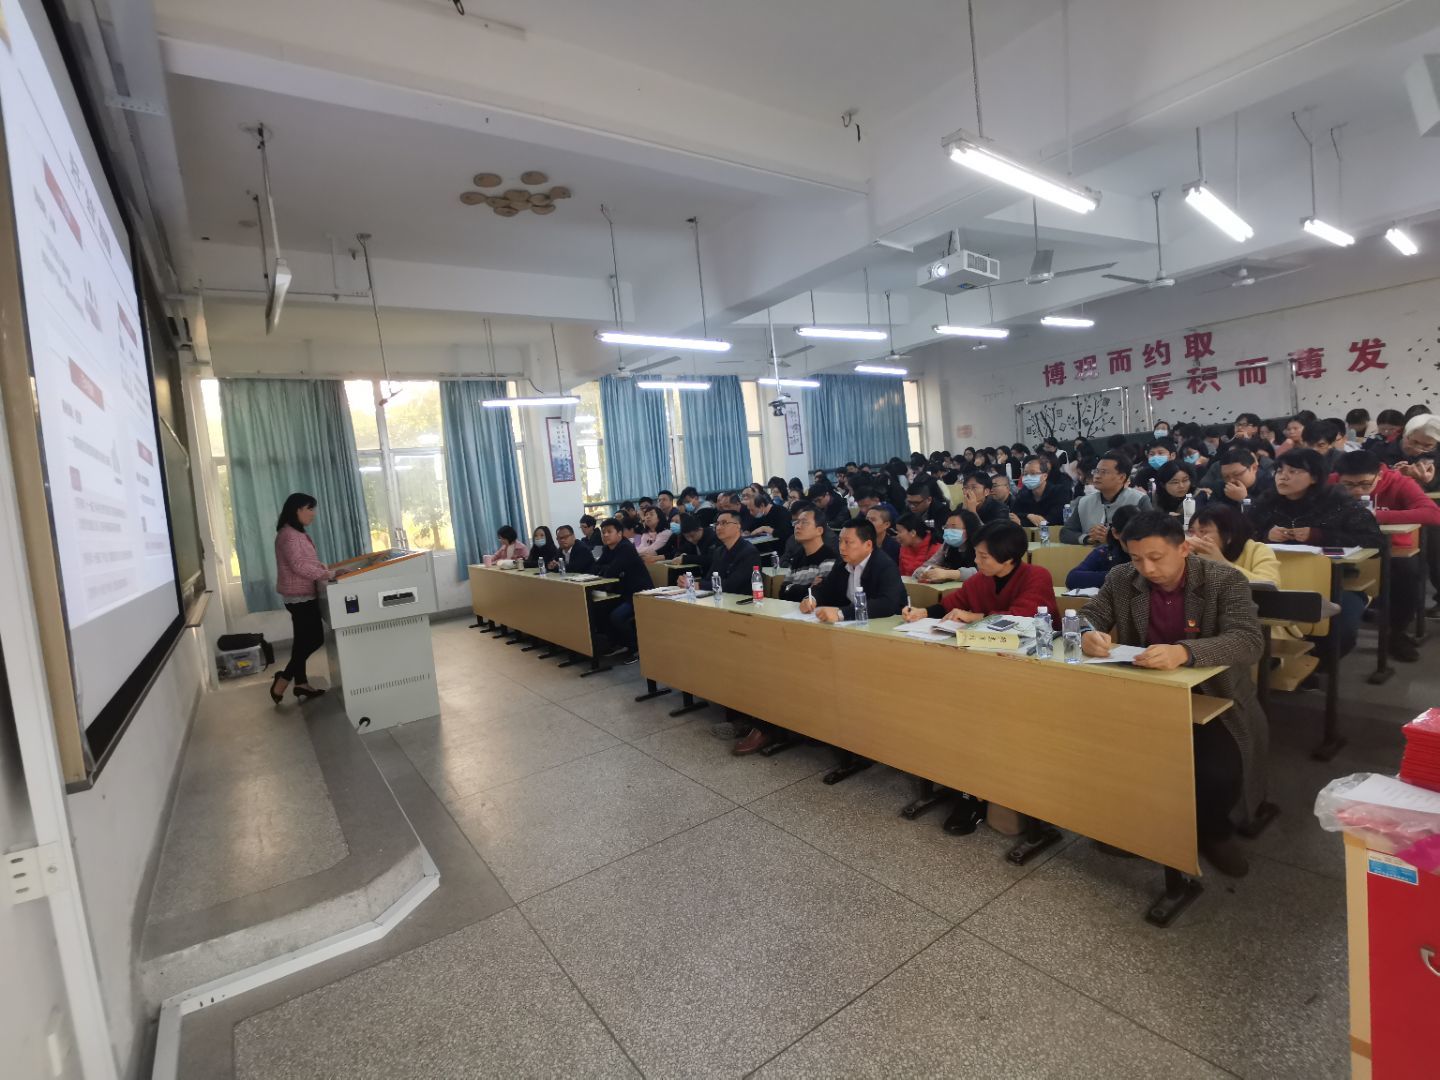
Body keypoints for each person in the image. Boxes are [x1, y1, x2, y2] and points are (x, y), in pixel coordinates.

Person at [1080, 512, 1266, 877]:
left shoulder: (1223, 579)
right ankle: (1140, 826)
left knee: (1217, 770)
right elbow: (1090, 614)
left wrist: (1184, 652)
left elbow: (1248, 640)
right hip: (1144, 691)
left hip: (1213, 695)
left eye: (1156, 557)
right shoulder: (1122, 577)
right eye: (1136, 558)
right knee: (1115, 755)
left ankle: (1214, 832)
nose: (1146, 568)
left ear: (1183, 548)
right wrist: (1087, 632)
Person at [1246, 448, 1385, 658]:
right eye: (1280, 470)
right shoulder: (1267, 502)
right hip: (1276, 580)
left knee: (1341, 630)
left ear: (1314, 477)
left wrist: (1319, 535)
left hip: (1335, 582)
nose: (1283, 476)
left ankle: (1320, 664)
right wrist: (1265, 535)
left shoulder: (1337, 502)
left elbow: (1374, 541)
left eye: (1293, 471)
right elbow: (1240, 536)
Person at [1333, 449, 1440, 662]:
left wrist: (1377, 516)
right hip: (1344, 546)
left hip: (1392, 548)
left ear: (1379, 475)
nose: (1357, 491)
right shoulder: (1330, 482)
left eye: (1365, 484)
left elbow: (1433, 514)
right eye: (1348, 485)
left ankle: (1396, 632)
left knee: (1409, 572)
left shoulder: (1399, 483)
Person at [903, 521, 1054, 623]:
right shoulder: (980, 579)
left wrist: (974, 617)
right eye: (976, 554)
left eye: (984, 556)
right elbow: (951, 604)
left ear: (1008, 558)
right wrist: (922, 612)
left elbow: (1022, 618)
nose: (976, 560)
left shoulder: (1037, 576)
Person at [270, 492, 336, 705]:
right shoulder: (289, 535)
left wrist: (322, 568)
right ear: (297, 509)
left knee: (301, 642)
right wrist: (328, 574)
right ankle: (284, 678)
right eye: (310, 508)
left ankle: (301, 683)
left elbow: (305, 561)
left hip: (302, 593)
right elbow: (298, 566)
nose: (313, 513)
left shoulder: (294, 532)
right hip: (299, 596)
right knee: (314, 639)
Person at [799, 517, 908, 623]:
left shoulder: (885, 566)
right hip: (854, 624)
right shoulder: (842, 563)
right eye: (840, 541)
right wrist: (812, 598)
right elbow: (826, 587)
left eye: (847, 542)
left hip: (887, 625)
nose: (841, 547)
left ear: (868, 545)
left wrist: (841, 613)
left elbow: (887, 603)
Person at [1061, 451, 1151, 545]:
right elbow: (1066, 533)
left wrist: (1111, 540)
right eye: (1096, 471)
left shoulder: (1139, 500)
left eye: (1104, 472)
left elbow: (1150, 534)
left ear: (1121, 477)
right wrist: (1088, 538)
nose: (1097, 476)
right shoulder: (1084, 502)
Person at [591, 519, 650, 661]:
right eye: (603, 532)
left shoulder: (626, 548)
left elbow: (611, 572)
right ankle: (617, 643)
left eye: (609, 531)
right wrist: (606, 569)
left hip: (638, 594)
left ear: (619, 533)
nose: (605, 535)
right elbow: (595, 568)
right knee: (598, 608)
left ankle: (636, 648)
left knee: (617, 616)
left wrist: (606, 569)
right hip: (620, 593)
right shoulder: (607, 549)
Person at [1185, 504, 1280, 585]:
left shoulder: (1257, 550)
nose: (1195, 538)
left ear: (1228, 536)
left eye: (1203, 531)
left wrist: (1223, 563)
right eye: (1191, 532)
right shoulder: (1188, 553)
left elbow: (1269, 585)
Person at [1064, 504, 1140, 590]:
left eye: (1139, 536)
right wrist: (1116, 575)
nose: (1135, 542)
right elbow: (1072, 579)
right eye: (1129, 536)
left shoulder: (1147, 552)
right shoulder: (1104, 553)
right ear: (1115, 533)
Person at [778, 502, 837, 602]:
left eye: (804, 523)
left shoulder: (829, 558)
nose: (797, 526)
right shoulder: (797, 557)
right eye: (797, 522)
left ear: (819, 530)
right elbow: (782, 593)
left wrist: (792, 588)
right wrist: (808, 587)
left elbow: (819, 595)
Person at [914, 509, 983, 582]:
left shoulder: (980, 545)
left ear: (969, 529)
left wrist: (949, 573)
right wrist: (925, 571)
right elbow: (929, 564)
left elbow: (981, 572)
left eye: (954, 527)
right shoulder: (947, 544)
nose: (949, 531)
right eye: (946, 527)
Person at [704, 509, 762, 595]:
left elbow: (731, 585)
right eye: (717, 524)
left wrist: (700, 585)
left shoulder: (749, 552)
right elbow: (709, 579)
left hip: (743, 600)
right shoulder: (719, 551)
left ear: (738, 526)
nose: (718, 527)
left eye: (724, 523)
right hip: (720, 597)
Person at [1198, 446, 1274, 509]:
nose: (1231, 480)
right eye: (1226, 477)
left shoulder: (1271, 485)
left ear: (1254, 468)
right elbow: (1211, 513)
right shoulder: (1221, 486)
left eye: (1237, 474)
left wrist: (1244, 499)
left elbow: (1266, 515)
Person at [1010, 455, 1069, 526]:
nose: (1028, 477)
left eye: (1033, 473)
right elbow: (1013, 515)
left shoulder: (1060, 492)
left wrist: (1022, 521)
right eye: (1025, 474)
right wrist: (1028, 516)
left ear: (1044, 476)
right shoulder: (1023, 493)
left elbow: (1053, 519)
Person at [894, 512, 941, 577]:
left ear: (913, 533)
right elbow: (901, 575)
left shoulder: (936, 550)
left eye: (900, 532)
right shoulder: (904, 548)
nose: (897, 536)